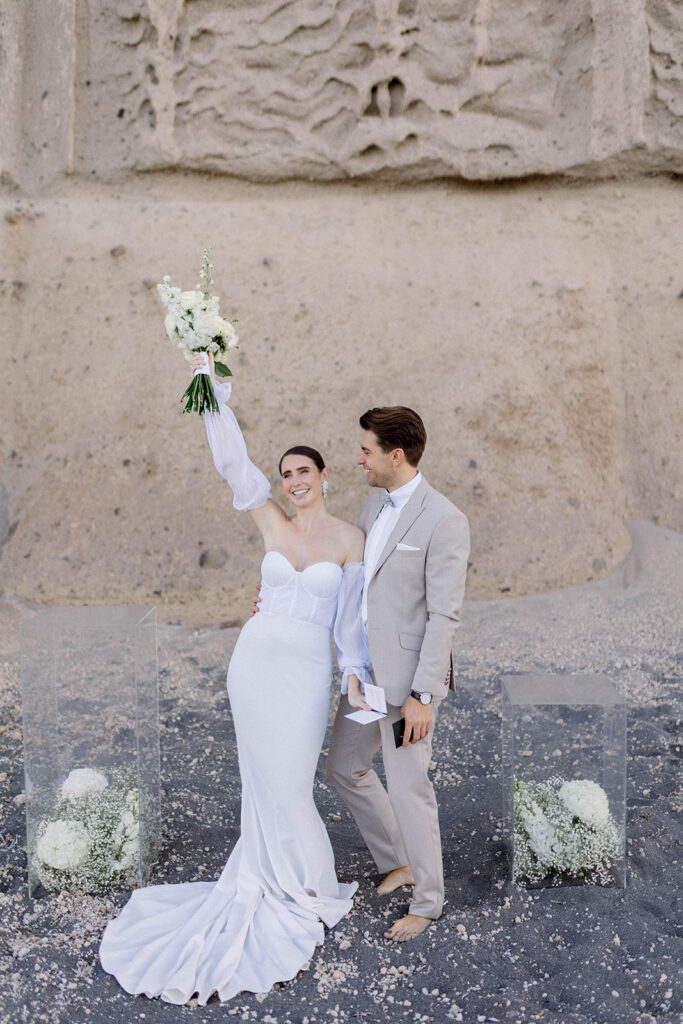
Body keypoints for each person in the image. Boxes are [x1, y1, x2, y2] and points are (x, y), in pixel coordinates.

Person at [99, 354, 372, 1004]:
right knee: (263, 780)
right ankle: (293, 882)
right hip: (252, 665)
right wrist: (213, 392)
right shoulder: (271, 521)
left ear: (324, 475)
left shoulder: (349, 540)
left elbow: (350, 623)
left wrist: (355, 676)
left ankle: (315, 892)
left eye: (302, 471)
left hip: (306, 670)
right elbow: (233, 465)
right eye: (285, 474)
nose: (292, 480)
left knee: (291, 781)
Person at [325, 406, 469, 942]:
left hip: (409, 683)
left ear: (396, 454)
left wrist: (424, 696)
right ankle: (398, 859)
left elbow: (443, 615)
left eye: (366, 450)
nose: (358, 458)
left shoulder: (444, 519)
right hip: (365, 676)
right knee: (344, 765)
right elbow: (355, 588)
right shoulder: (371, 505)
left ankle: (427, 903)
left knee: (411, 789)